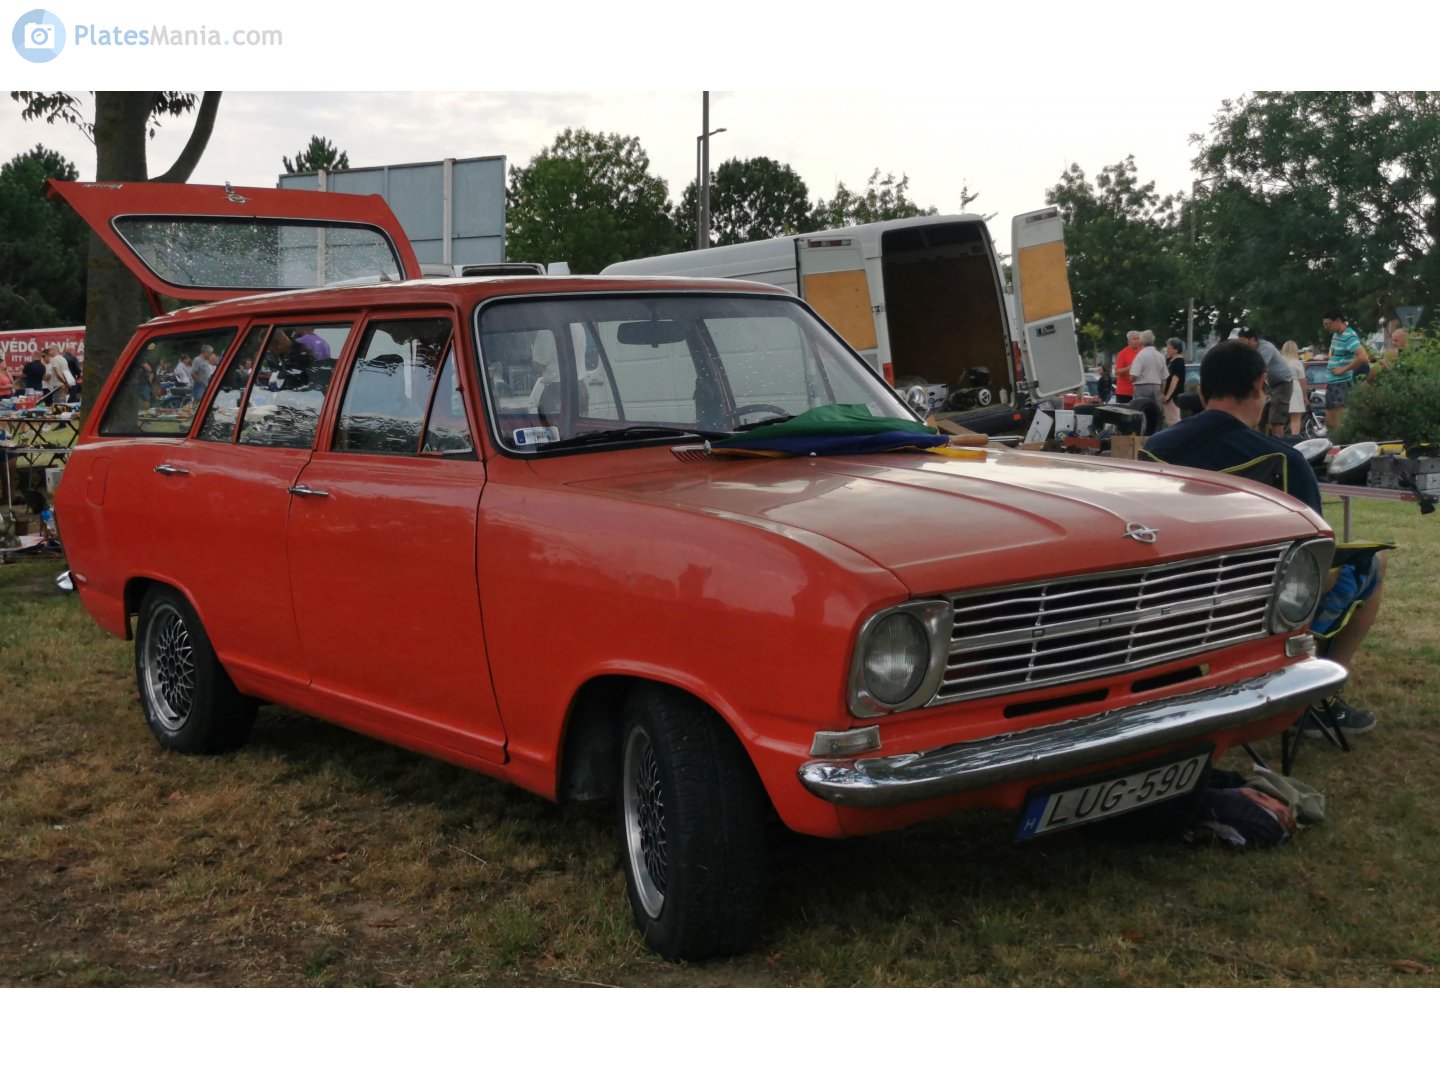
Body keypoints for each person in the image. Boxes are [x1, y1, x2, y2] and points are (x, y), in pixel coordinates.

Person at [1143, 338, 1385, 735]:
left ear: (1201, 393)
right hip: (1260, 613)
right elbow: (1316, 564)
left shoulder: (1155, 449)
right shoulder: (1282, 460)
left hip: (1171, 606)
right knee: (1373, 563)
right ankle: (1316, 698)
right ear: (1260, 386)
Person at [1236, 326, 1293, 436]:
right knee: (1261, 418)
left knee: (1276, 419)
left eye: (1243, 341)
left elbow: (1258, 369)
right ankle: (1261, 442)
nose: (1241, 345)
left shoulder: (1265, 349)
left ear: (1253, 340)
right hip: (1270, 385)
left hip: (1282, 383)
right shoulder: (1250, 351)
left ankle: (1278, 443)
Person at [1321, 308, 1368, 431]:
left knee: (1338, 420)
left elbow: (1363, 357)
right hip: (1332, 383)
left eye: (1328, 324)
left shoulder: (1349, 336)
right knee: (1329, 421)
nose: (1327, 328)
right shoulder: (1336, 335)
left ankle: (1342, 440)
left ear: (1337, 320)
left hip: (1341, 383)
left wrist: (1343, 369)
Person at [1128, 330, 1166, 432]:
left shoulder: (1141, 355)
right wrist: (1162, 391)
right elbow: (1164, 377)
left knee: (1141, 412)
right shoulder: (1160, 356)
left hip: (1141, 387)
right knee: (1157, 412)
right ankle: (1157, 432)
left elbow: (1133, 375)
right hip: (1156, 386)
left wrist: (1131, 380)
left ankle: (1142, 433)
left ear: (1141, 341)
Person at [1280, 340, 1307, 434]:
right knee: (1296, 418)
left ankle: (1279, 438)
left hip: (1280, 388)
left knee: (1279, 420)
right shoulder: (1297, 363)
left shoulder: (1279, 362)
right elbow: (1302, 381)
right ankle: (1294, 438)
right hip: (1294, 389)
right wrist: (1305, 396)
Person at [1161, 338, 1186, 427]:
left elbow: (1174, 379)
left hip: (1174, 394)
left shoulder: (1178, 362)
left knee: (1174, 419)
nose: (1167, 350)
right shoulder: (1170, 360)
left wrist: (1168, 395)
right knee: (1169, 419)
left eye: (1169, 348)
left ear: (1176, 349)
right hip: (1167, 393)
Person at [1114, 330, 1140, 404]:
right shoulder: (1123, 353)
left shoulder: (1143, 352)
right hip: (1124, 392)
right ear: (1128, 341)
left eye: (1138, 339)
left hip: (1139, 391)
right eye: (1134, 339)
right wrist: (1128, 368)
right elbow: (1116, 372)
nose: (1137, 341)